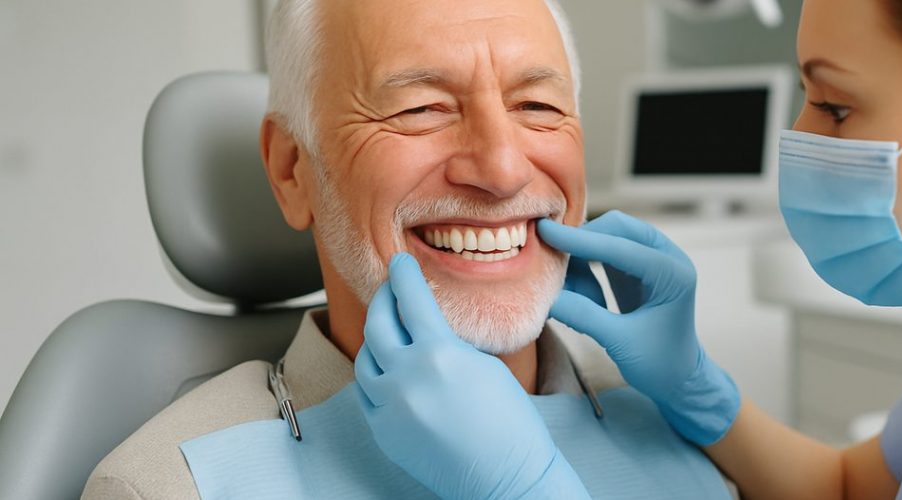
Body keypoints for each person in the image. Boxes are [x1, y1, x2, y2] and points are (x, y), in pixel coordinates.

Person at [360, 0, 902, 498]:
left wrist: (524, 488)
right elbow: (846, 490)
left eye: (836, 106)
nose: (794, 138)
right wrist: (697, 387)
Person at [80, 0, 739, 498]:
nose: (503, 168)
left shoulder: (686, 427)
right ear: (291, 170)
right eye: (420, 108)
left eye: (537, 104)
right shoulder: (169, 487)